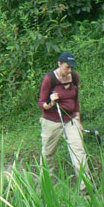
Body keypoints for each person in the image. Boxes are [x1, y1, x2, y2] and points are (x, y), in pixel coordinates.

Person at [38, 52, 89, 192]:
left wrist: (79, 119)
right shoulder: (50, 79)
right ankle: (45, 186)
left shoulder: (74, 77)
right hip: (52, 121)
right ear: (59, 64)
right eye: (67, 67)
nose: (70, 71)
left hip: (71, 119)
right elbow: (42, 104)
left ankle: (85, 186)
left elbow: (76, 100)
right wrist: (51, 102)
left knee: (79, 151)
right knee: (48, 153)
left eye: (72, 68)